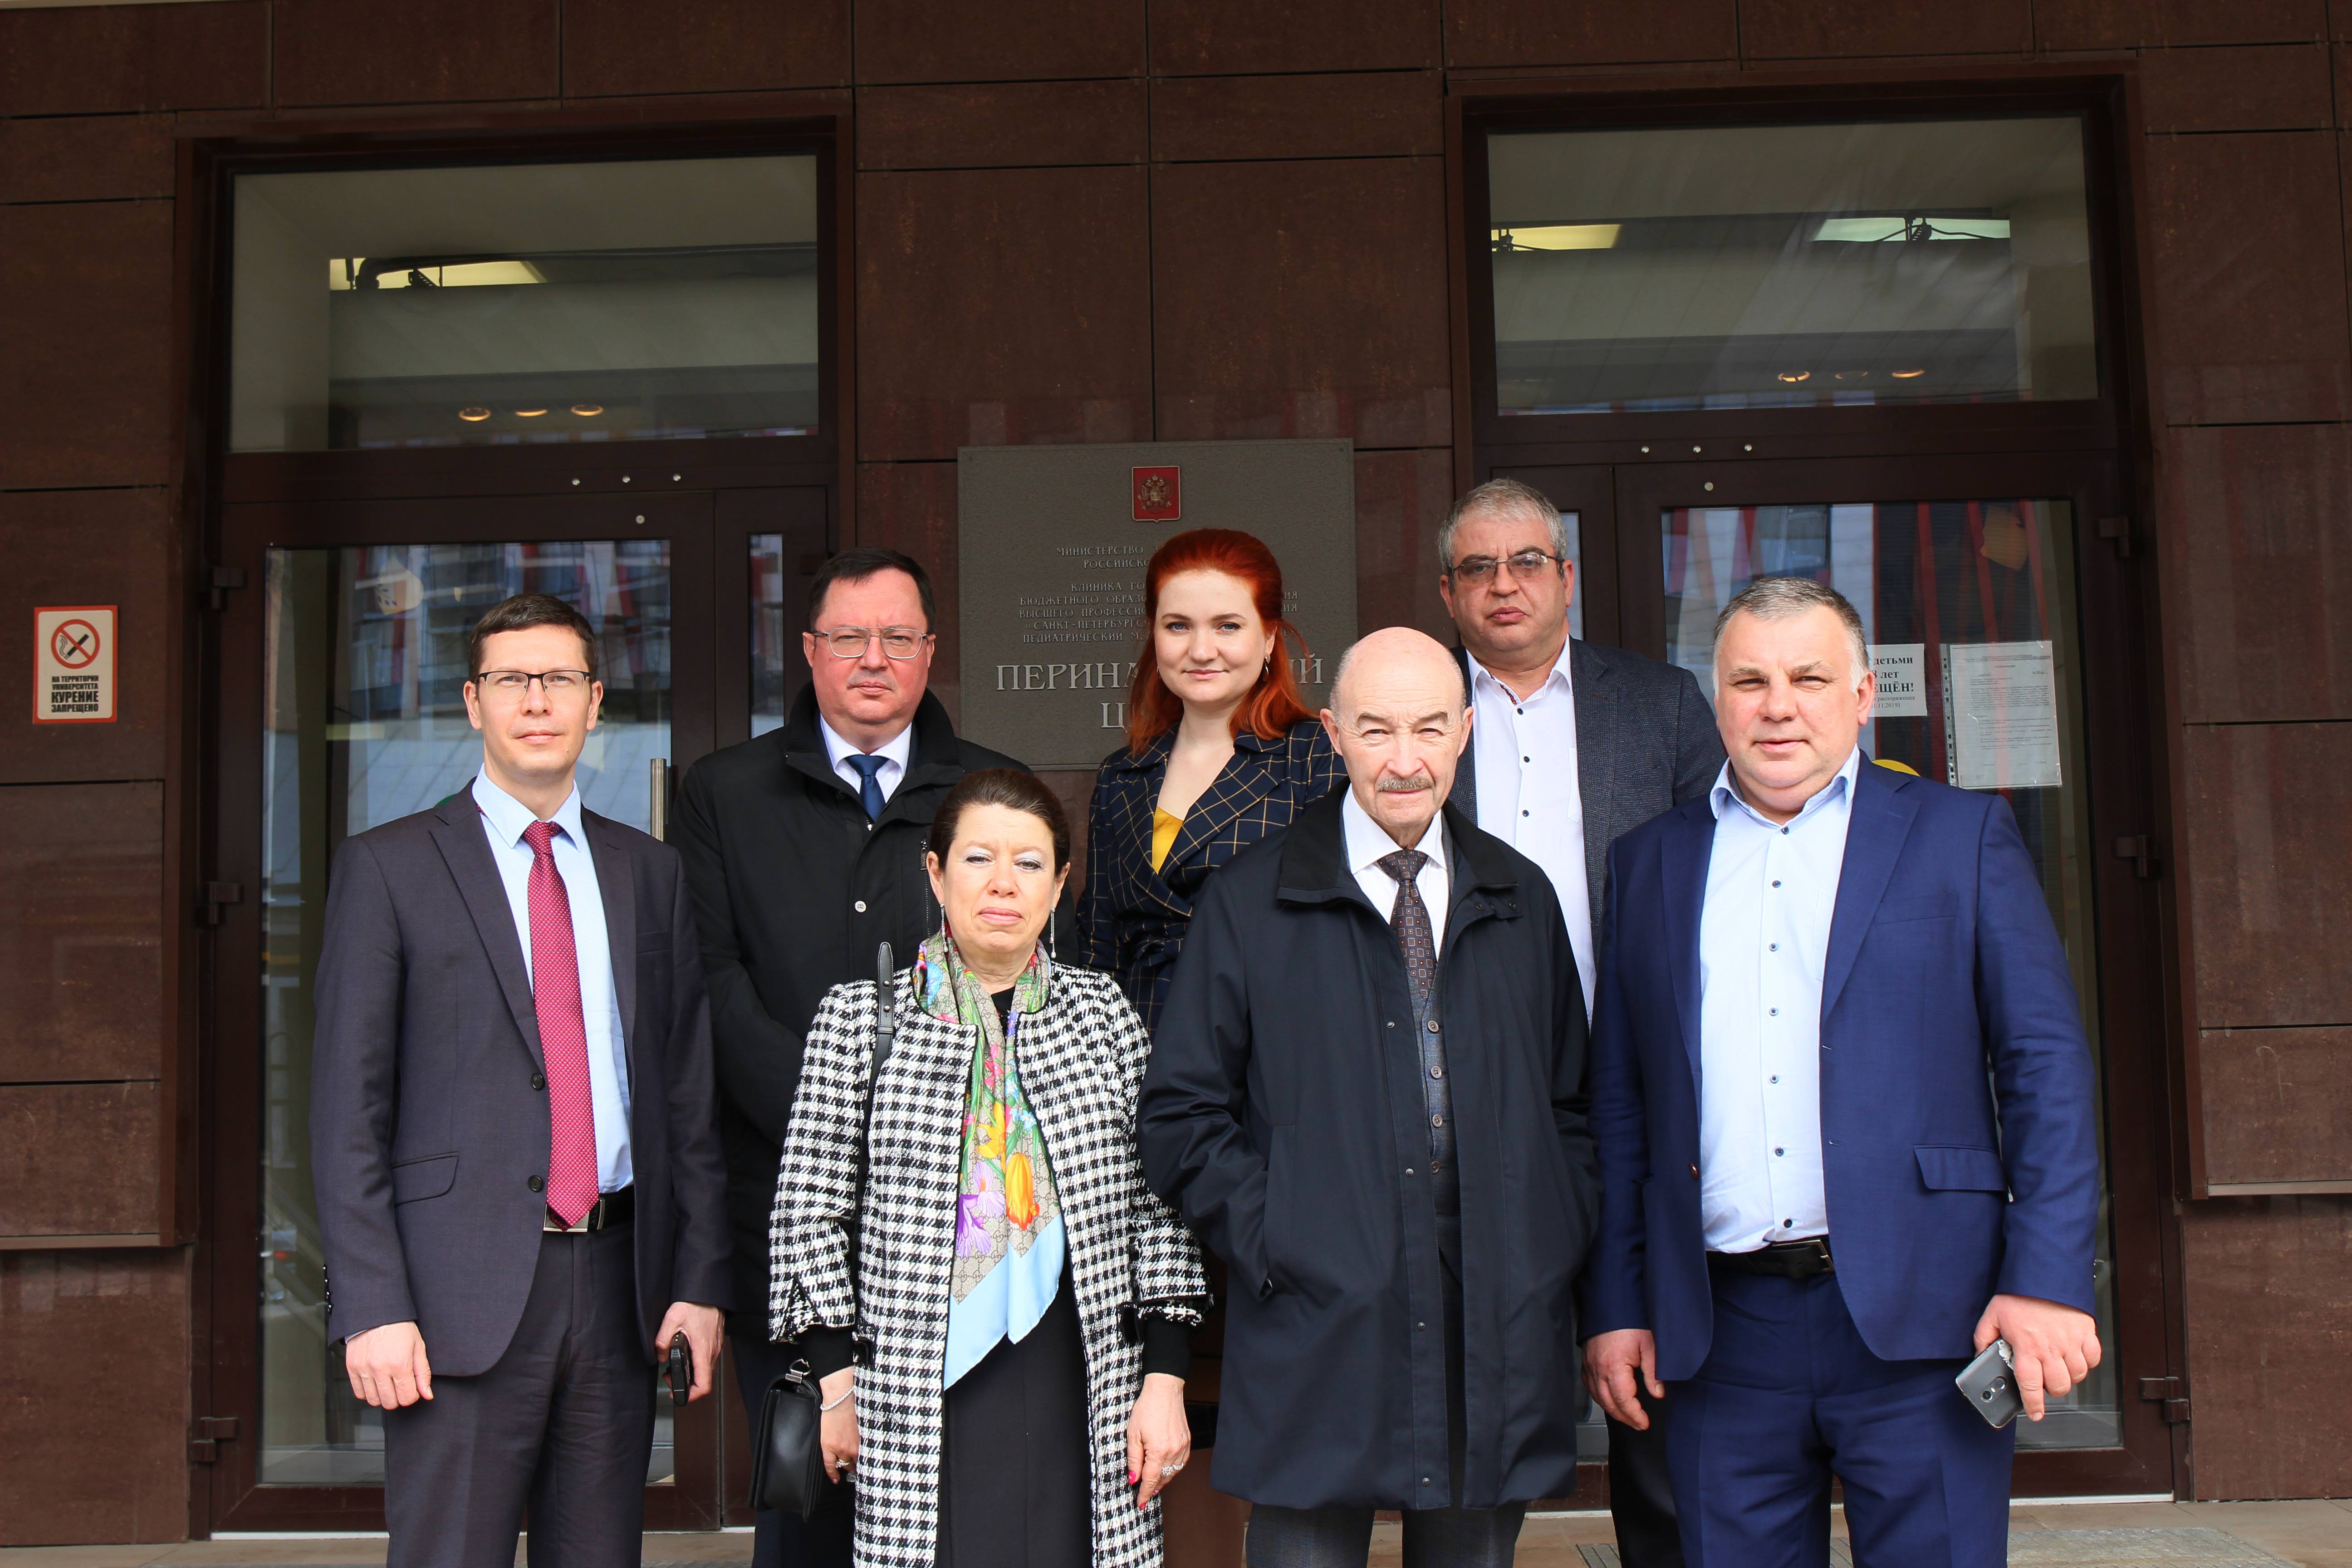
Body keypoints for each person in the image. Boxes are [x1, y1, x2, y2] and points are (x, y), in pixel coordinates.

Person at [1581, 577, 2102, 1568]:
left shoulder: (1959, 835)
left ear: (1862, 695)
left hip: (1929, 1322)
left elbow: (2044, 1070)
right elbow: (1622, 1105)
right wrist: (1616, 1304)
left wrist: (2045, 1279)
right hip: (1718, 1335)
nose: (1777, 706)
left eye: (1809, 679)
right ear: (1718, 700)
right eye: (1750, 681)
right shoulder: (1649, 862)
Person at [1139, 627, 1597, 1568]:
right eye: (1377, 729)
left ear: (1463, 731)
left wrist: (1549, 1236)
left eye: (1428, 728)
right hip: (1319, 1317)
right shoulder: (1250, 900)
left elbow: (1571, 1108)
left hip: (1491, 1316)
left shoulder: (1521, 897)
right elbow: (1181, 1112)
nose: (1404, 759)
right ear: (1334, 733)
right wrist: (1279, 1234)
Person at [310, 592, 731, 1568]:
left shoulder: (649, 872)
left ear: (595, 701)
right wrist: (370, 1304)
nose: (536, 701)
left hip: (619, 1283)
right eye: (511, 679)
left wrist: (699, 1282)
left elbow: (686, 1100)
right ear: (472, 701)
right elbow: (345, 1112)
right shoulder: (388, 868)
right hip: (451, 1297)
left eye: (559, 680)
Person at [672, 546, 1024, 1568]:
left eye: (898, 637)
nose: (875, 658)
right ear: (809, 649)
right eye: (850, 637)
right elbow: (712, 983)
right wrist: (839, 1122)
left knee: (963, 1513)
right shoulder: (725, 792)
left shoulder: (990, 791)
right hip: (787, 1218)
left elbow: (1024, 989)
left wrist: (920, 1126)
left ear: (930, 651)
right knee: (811, 1512)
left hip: (962, 1223)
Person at [771, 769, 1211, 1568]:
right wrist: (835, 1382)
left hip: (1088, 1375)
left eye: (1029, 863)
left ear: (1060, 884)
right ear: (936, 873)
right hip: (908, 1387)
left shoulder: (1103, 1016)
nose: (1003, 883)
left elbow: (1161, 1210)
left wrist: (1165, 1379)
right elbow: (809, 1212)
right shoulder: (860, 1019)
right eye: (978, 858)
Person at [1434, 476, 1720, 1567]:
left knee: (1653, 1377)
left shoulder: (1659, 704)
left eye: (1525, 563)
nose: (1502, 585)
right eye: (1477, 567)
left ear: (1565, 576)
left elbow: (1716, 875)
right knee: (1482, 1397)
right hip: (1465, 1100)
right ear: (1448, 592)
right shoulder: (1415, 707)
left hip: (1632, 1087)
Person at [1082, 527, 1343, 1029]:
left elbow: (1333, 935)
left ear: (1269, 637)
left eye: (1227, 626)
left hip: (1265, 1036)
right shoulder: (1122, 775)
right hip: (1139, 1041)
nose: (1201, 651)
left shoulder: (1317, 754)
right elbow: (1099, 943)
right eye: (1178, 626)